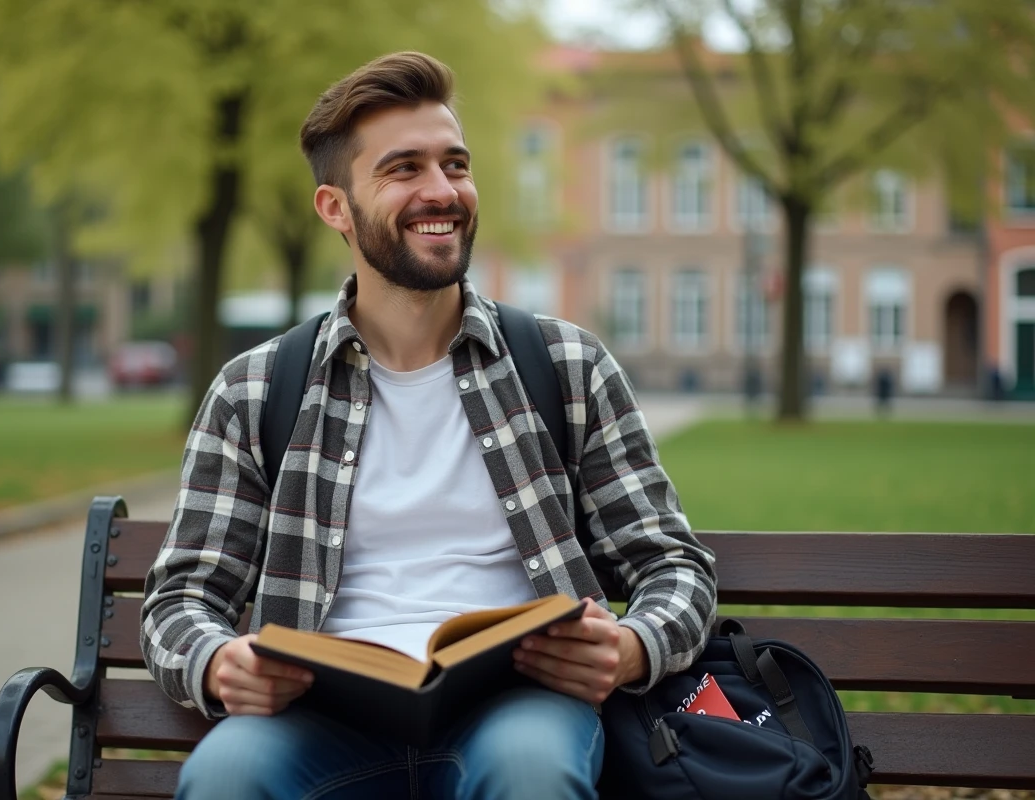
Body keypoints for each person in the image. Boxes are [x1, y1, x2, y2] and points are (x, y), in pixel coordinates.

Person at [140, 51, 717, 800]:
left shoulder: (565, 365)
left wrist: (633, 648)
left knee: (533, 771)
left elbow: (673, 565)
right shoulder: (254, 390)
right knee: (222, 777)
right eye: (404, 169)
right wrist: (217, 663)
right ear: (335, 208)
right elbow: (181, 598)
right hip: (316, 717)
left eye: (455, 164)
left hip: (520, 707)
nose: (441, 191)